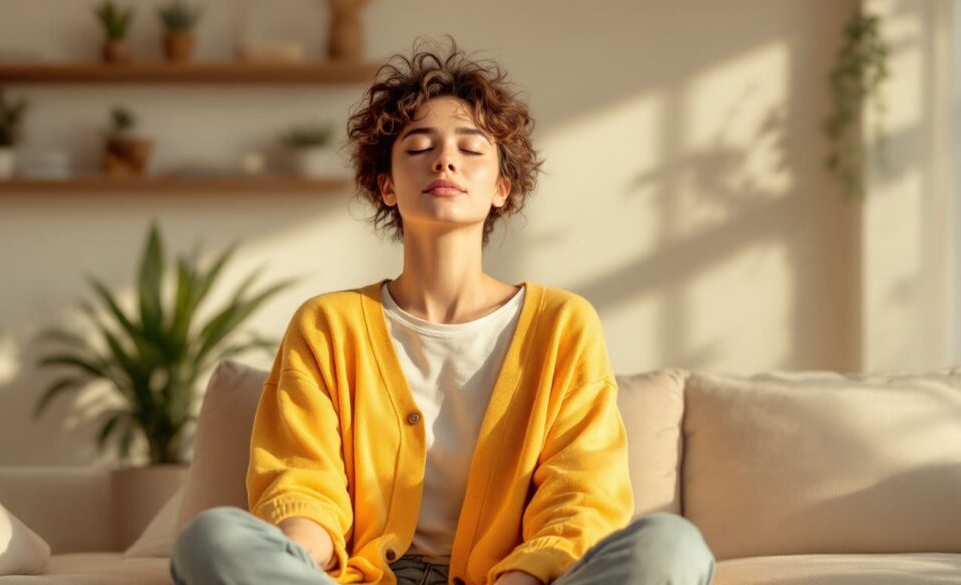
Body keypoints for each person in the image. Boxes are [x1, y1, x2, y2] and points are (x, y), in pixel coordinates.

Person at [170, 36, 716, 585]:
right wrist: (295, 556)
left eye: (471, 148)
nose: (445, 158)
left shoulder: (562, 324)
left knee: (673, 546)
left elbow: (583, 495)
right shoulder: (327, 324)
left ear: (502, 187)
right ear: (386, 186)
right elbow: (300, 479)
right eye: (418, 147)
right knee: (211, 537)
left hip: (511, 581)